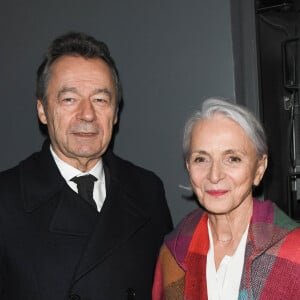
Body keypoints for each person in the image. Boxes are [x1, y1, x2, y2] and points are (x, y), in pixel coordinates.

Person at [0, 32, 173, 300]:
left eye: (100, 100)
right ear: (43, 110)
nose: (88, 114)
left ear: (115, 113)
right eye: (69, 99)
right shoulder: (6, 198)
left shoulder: (147, 190)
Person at [152, 98, 300, 300]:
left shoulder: (295, 251)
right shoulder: (172, 253)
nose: (214, 175)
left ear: (259, 168)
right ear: (188, 167)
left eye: (233, 159)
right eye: (201, 159)